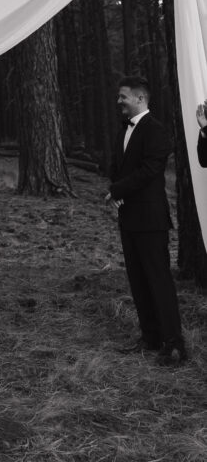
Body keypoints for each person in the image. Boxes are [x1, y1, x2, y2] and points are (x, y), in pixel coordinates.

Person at [106, 75, 186, 366]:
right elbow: (117, 167)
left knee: (158, 281)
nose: (119, 101)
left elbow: (150, 170)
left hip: (151, 220)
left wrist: (117, 190)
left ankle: (174, 344)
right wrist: (115, 193)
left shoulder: (156, 130)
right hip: (128, 217)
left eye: (123, 96)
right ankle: (150, 337)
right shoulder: (123, 130)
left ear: (140, 98)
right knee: (138, 280)